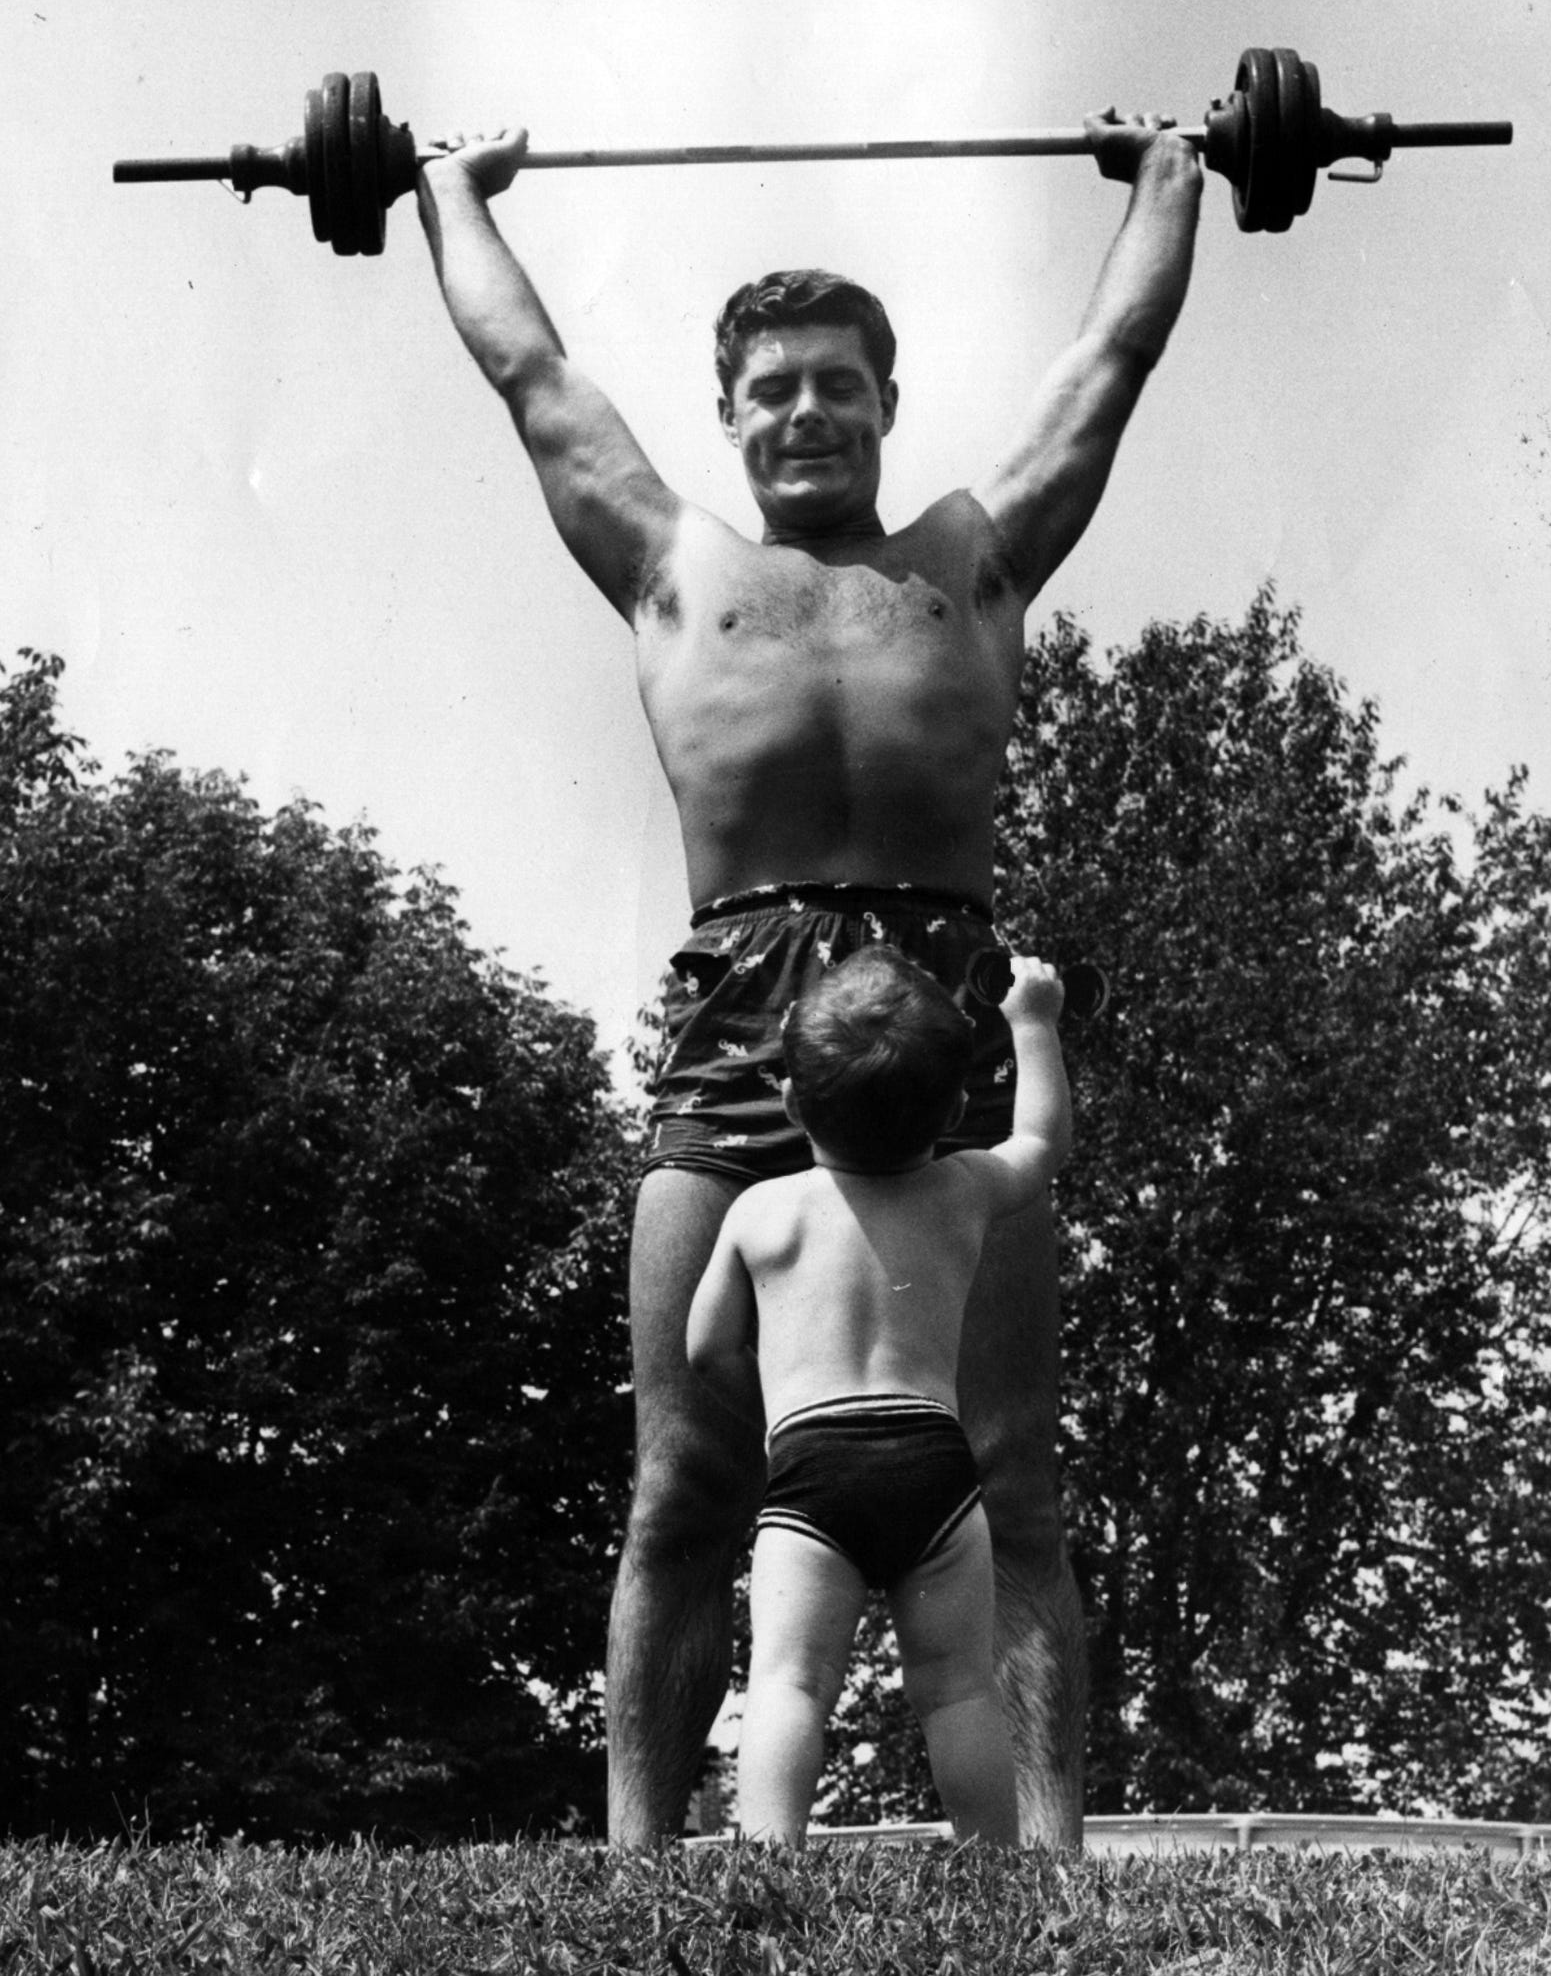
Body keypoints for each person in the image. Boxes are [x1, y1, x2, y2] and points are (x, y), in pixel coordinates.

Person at [417, 105, 1201, 1846]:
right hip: (738, 1010)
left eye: (836, 383)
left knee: (1008, 1468)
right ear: (731, 413)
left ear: (884, 402)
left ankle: (1051, 1870)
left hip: (940, 996)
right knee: (688, 1473)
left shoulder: (972, 565)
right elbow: (531, 369)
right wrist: (445, 189)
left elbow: (1112, 356)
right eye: (771, 388)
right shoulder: (676, 568)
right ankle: (640, 1868)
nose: (803, 413)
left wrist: (1171, 172)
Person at [686, 947, 1073, 1845]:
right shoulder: (962, 1189)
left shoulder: (762, 1211)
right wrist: (1034, 1023)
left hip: (812, 1467)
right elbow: (1041, 1145)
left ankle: (771, 1866)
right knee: (959, 1688)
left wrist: (778, 1419)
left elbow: (707, 1348)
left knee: (789, 1683)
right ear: (947, 1112)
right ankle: (996, 1869)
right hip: (934, 1465)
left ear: (793, 1104)